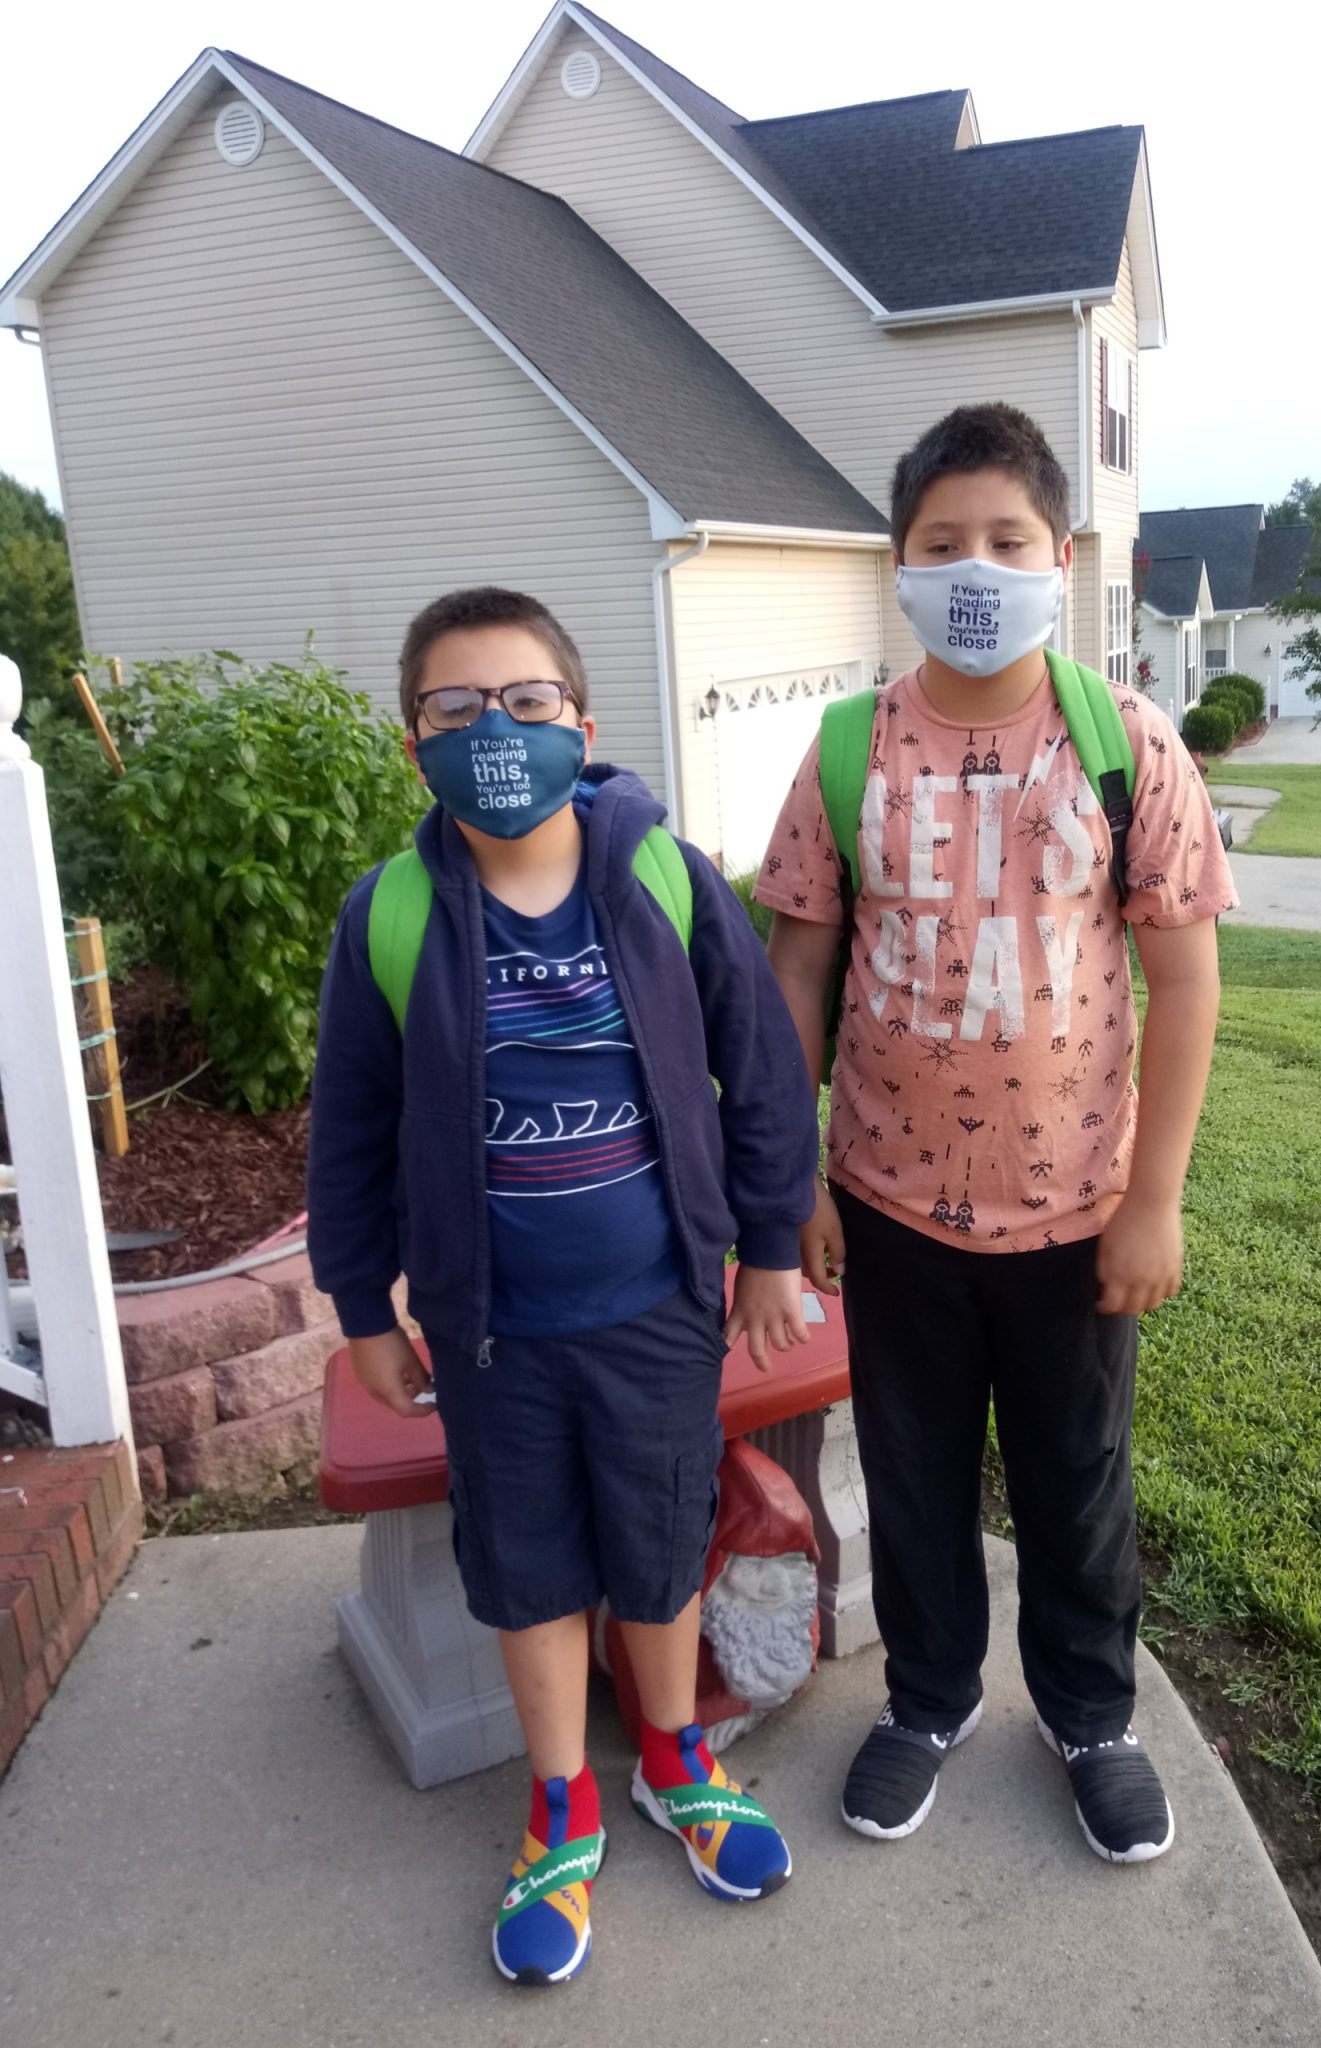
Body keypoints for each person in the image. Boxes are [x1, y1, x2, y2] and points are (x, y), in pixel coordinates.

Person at [308, 587, 818, 1985]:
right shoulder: (392, 915)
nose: (495, 731)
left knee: (656, 1543)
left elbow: (761, 1067)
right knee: (528, 1564)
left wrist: (771, 1244)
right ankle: (560, 1802)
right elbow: (349, 1128)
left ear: (581, 727)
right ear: (412, 738)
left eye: (526, 702)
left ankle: (675, 1758)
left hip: (659, 1307)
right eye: (455, 706)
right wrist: (360, 1306)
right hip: (491, 1332)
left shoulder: (662, 879)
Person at [756, 403, 1236, 1864]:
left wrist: (1155, 1201)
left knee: (1077, 1482)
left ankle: (1092, 1716)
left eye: (1008, 541)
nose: (977, 568)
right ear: (900, 565)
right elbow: (795, 973)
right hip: (887, 1205)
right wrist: (789, 1183)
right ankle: (929, 1699)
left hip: (1079, 1212)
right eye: (943, 541)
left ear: (1062, 558)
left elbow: (1185, 978)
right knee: (912, 1478)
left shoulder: (1124, 744)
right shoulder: (850, 749)